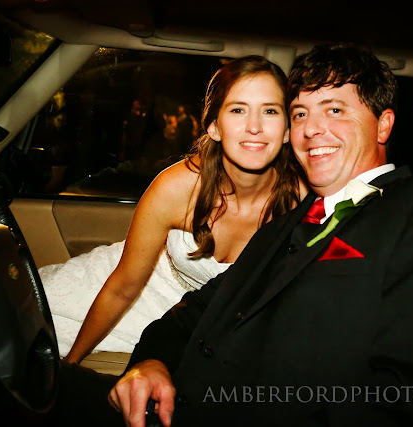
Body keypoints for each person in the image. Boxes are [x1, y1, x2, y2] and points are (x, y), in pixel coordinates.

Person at [108, 44, 413, 427]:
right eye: (300, 114)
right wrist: (150, 363)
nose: (310, 129)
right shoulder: (282, 225)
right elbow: (193, 313)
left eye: (334, 110)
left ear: (383, 124)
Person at [41, 55, 305, 365]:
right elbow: (123, 287)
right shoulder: (177, 186)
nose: (254, 127)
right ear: (214, 127)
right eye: (238, 110)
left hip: (194, 323)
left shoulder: (303, 201)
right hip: (128, 291)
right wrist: (70, 367)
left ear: (287, 130)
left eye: (270, 111)